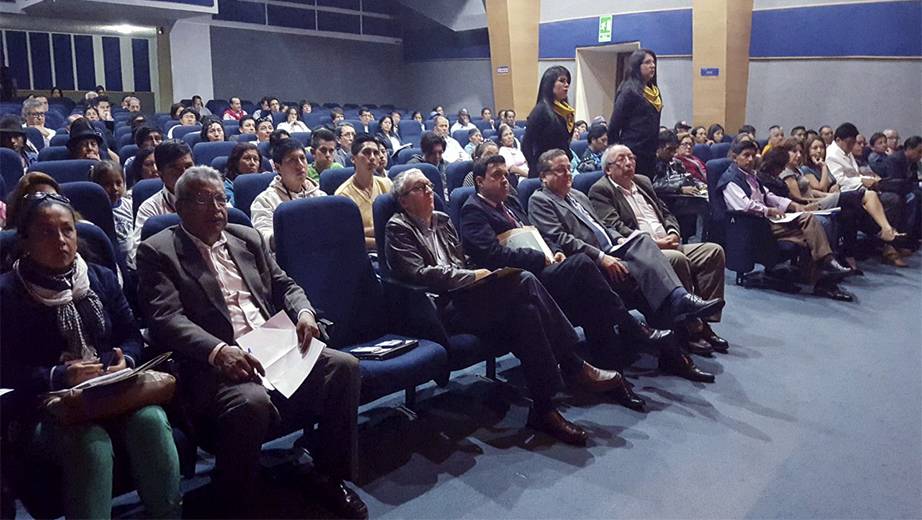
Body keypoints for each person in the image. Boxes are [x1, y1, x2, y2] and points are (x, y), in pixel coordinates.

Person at [136, 166, 365, 519]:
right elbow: (166, 319)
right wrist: (218, 351)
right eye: (202, 199)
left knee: (344, 366)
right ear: (178, 207)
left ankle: (329, 477)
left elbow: (285, 285)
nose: (216, 208)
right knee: (251, 402)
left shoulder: (246, 237)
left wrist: (304, 313)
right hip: (213, 364)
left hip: (273, 345)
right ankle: (236, 498)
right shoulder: (158, 251)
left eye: (220, 198)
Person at [386, 168, 639, 445]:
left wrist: (479, 273)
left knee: (526, 313)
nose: (429, 191)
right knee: (525, 280)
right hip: (442, 308)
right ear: (403, 201)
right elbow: (418, 274)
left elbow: (463, 260)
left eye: (429, 185)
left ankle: (544, 408)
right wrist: (472, 276)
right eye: (420, 188)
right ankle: (573, 363)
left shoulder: (442, 220)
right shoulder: (398, 227)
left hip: (471, 297)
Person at [1, 193, 182, 520]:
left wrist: (124, 359)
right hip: (46, 409)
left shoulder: (100, 277)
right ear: (25, 242)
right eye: (47, 232)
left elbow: (130, 333)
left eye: (67, 230)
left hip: (111, 393)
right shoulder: (8, 293)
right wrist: (57, 375)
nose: (61, 240)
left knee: (152, 421)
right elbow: (3, 369)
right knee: (90, 442)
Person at [461, 155, 675, 383]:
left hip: (542, 267)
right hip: (518, 279)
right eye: (497, 176)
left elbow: (538, 233)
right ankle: (629, 326)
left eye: (506, 174)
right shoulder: (473, 211)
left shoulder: (511, 203)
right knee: (583, 264)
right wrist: (540, 257)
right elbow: (492, 255)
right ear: (479, 182)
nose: (505, 180)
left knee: (590, 291)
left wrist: (554, 250)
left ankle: (613, 371)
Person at [525, 150, 722, 380]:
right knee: (651, 285)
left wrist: (619, 239)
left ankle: (677, 321)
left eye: (569, 169)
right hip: (588, 264)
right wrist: (603, 257)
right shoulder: (540, 200)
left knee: (643, 243)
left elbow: (600, 226)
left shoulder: (578, 196)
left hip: (613, 248)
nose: (568, 174)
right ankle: (675, 350)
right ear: (543, 177)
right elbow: (561, 239)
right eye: (561, 170)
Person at [589, 144, 728, 352]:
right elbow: (615, 228)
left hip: (669, 241)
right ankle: (689, 329)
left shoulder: (643, 182)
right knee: (676, 259)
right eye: (622, 160)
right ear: (608, 169)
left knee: (713, 251)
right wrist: (658, 243)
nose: (629, 163)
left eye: (632, 158)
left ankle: (703, 321)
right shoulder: (601, 190)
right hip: (644, 251)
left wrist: (672, 232)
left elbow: (667, 213)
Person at [716, 139, 858, 300]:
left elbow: (768, 195)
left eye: (752, 155)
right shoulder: (730, 180)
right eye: (745, 156)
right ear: (735, 158)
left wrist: (792, 205)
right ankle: (825, 270)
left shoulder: (751, 176)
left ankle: (822, 276)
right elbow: (745, 205)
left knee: (810, 226)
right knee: (811, 228)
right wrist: (769, 210)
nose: (750, 159)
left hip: (768, 221)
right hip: (755, 225)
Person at [251, 139, 325, 250]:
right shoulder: (265, 200)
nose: (300, 165)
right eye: (292, 160)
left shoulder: (320, 195)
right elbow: (263, 238)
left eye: (302, 158)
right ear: (278, 167)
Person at [130, 140, 194, 266]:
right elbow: (136, 255)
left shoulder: (213, 196)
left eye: (188, 167)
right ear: (161, 175)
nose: (184, 174)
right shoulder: (150, 208)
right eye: (174, 169)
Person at [608, 49, 661, 178]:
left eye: (653, 62)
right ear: (637, 66)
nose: (652, 66)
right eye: (647, 62)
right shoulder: (629, 91)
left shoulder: (653, 90)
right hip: (633, 151)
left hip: (650, 151)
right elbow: (614, 126)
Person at [334, 135, 392, 250]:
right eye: (366, 152)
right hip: (364, 253)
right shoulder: (343, 195)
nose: (372, 157)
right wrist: (385, 241)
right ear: (353, 159)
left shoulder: (386, 184)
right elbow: (351, 237)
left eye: (376, 153)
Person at [652, 130, 709, 242]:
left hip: (679, 198)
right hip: (665, 201)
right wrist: (680, 189)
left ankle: (701, 239)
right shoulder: (652, 164)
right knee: (703, 206)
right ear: (658, 148)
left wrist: (699, 185)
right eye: (669, 150)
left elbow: (688, 177)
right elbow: (653, 185)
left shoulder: (676, 162)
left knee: (706, 201)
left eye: (674, 149)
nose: (673, 153)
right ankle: (702, 240)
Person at [521, 66, 574, 176]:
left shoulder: (565, 110)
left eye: (568, 81)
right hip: (545, 170)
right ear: (550, 84)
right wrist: (536, 167)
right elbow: (527, 144)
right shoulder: (541, 110)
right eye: (562, 81)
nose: (567, 85)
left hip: (562, 166)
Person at [879, 135, 922, 244]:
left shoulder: (913, 163)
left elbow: (914, 182)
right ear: (908, 149)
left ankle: (916, 235)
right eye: (919, 151)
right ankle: (905, 237)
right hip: (893, 192)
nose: (920, 155)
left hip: (906, 190)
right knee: (912, 198)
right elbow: (895, 183)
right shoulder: (894, 160)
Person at [89, 160, 134, 256]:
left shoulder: (130, 205)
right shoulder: (93, 211)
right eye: (107, 184)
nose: (115, 189)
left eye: (119, 183)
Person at [407, 132, 449, 200]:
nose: (437, 156)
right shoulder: (413, 166)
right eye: (433, 153)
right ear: (425, 151)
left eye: (440, 152)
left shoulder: (446, 166)